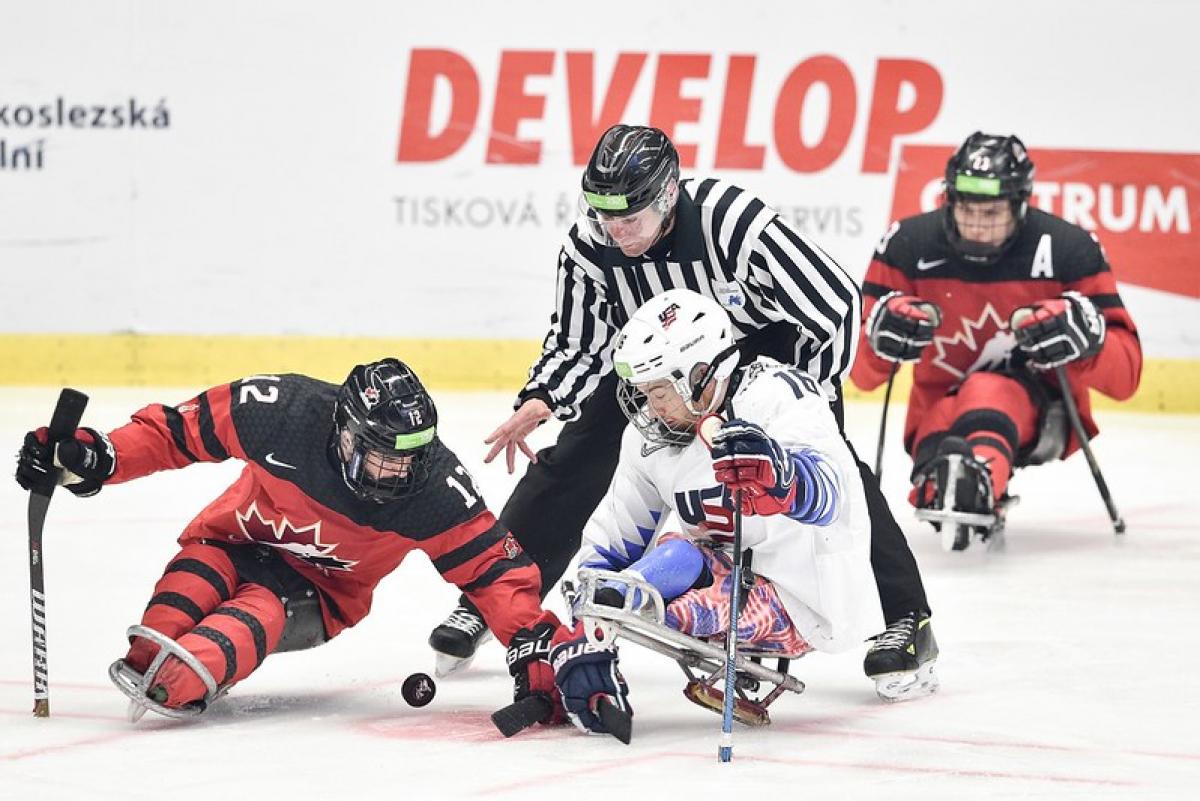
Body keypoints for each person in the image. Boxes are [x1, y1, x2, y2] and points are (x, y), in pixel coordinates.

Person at [430, 124, 938, 702]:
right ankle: (496, 596)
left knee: (830, 472)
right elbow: (579, 340)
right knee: (572, 460)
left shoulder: (730, 220)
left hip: (759, 356)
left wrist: (805, 398)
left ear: (668, 195)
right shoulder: (590, 244)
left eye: (629, 219)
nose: (615, 232)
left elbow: (836, 302)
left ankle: (907, 619)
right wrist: (544, 396)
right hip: (655, 363)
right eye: (602, 216)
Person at [14, 358, 575, 721]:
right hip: (226, 544)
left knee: (182, 675)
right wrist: (97, 456)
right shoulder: (280, 412)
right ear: (346, 433)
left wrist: (539, 649)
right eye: (383, 459)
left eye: (409, 461)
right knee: (149, 650)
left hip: (315, 593)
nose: (397, 475)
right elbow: (176, 433)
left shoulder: (433, 491)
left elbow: (495, 575)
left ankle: (202, 670)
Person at [550, 288, 892, 735]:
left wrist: (780, 477)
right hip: (718, 571)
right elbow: (613, 539)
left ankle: (632, 605)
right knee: (672, 556)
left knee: (673, 611)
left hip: (803, 593)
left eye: (659, 391)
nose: (649, 406)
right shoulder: (648, 438)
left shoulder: (779, 398)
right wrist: (587, 625)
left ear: (701, 374)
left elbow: (831, 496)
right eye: (642, 391)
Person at [850, 131, 1142, 544]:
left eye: (992, 214)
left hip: (1043, 413)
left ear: (1020, 205)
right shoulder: (906, 245)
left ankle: (981, 475)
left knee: (987, 390)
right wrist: (880, 341)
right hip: (937, 407)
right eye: (966, 210)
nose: (976, 227)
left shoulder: (1067, 249)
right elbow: (860, 375)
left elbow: (1126, 378)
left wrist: (1089, 339)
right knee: (940, 466)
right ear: (949, 198)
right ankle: (948, 477)